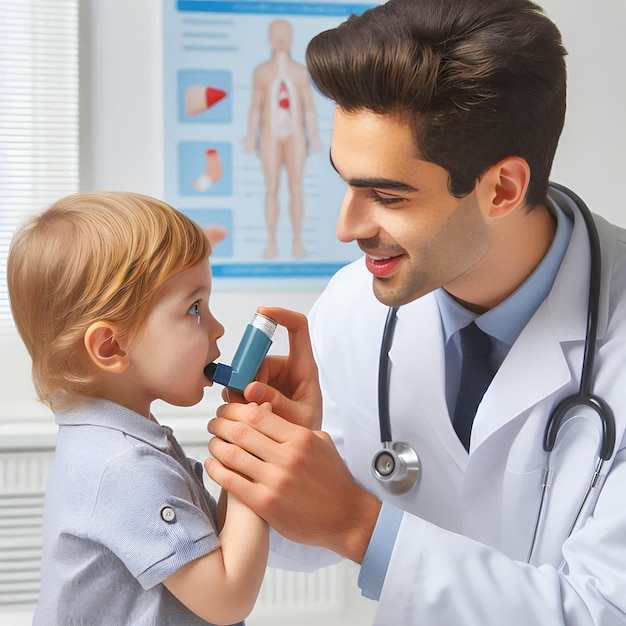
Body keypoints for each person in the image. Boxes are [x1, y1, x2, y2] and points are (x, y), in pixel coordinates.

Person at [203, 0, 626, 624]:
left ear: (502, 188)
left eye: (387, 195)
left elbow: (605, 608)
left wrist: (358, 524)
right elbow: (296, 540)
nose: (346, 227)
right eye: (345, 182)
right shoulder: (355, 304)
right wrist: (271, 468)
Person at [6, 191, 303, 625]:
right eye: (194, 308)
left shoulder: (117, 442)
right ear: (111, 346)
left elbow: (212, 550)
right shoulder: (124, 466)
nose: (218, 328)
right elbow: (227, 599)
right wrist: (251, 461)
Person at [243, 18, 322, 259]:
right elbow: (256, 107)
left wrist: (314, 135)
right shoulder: (262, 72)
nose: (280, 40)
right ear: (269, 38)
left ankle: (297, 242)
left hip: (295, 134)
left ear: (290, 38)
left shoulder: (300, 72)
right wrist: (250, 136)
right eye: (275, 35)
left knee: (296, 189)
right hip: (270, 134)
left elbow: (308, 106)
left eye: (284, 35)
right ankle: (271, 243)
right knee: (271, 189)